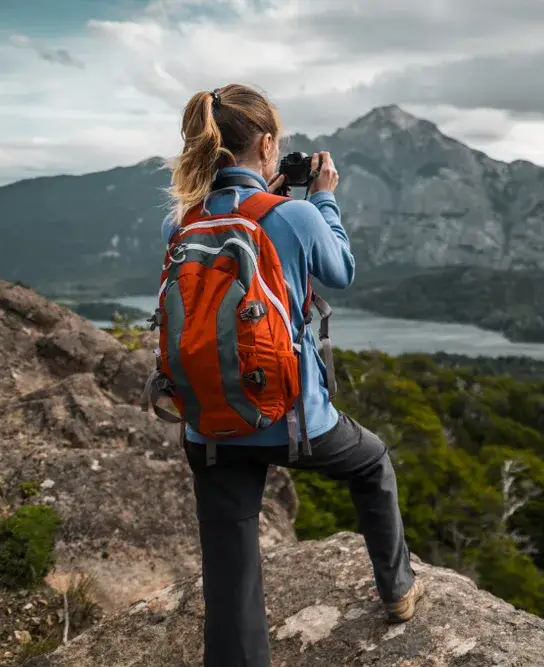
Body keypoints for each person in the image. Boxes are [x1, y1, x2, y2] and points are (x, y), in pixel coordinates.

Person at [160, 84, 424, 667]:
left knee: (232, 570)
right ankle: (398, 590)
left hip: (209, 424)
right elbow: (341, 270)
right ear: (268, 142)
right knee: (372, 462)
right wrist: (322, 198)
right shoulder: (297, 215)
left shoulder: (182, 222)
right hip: (292, 419)